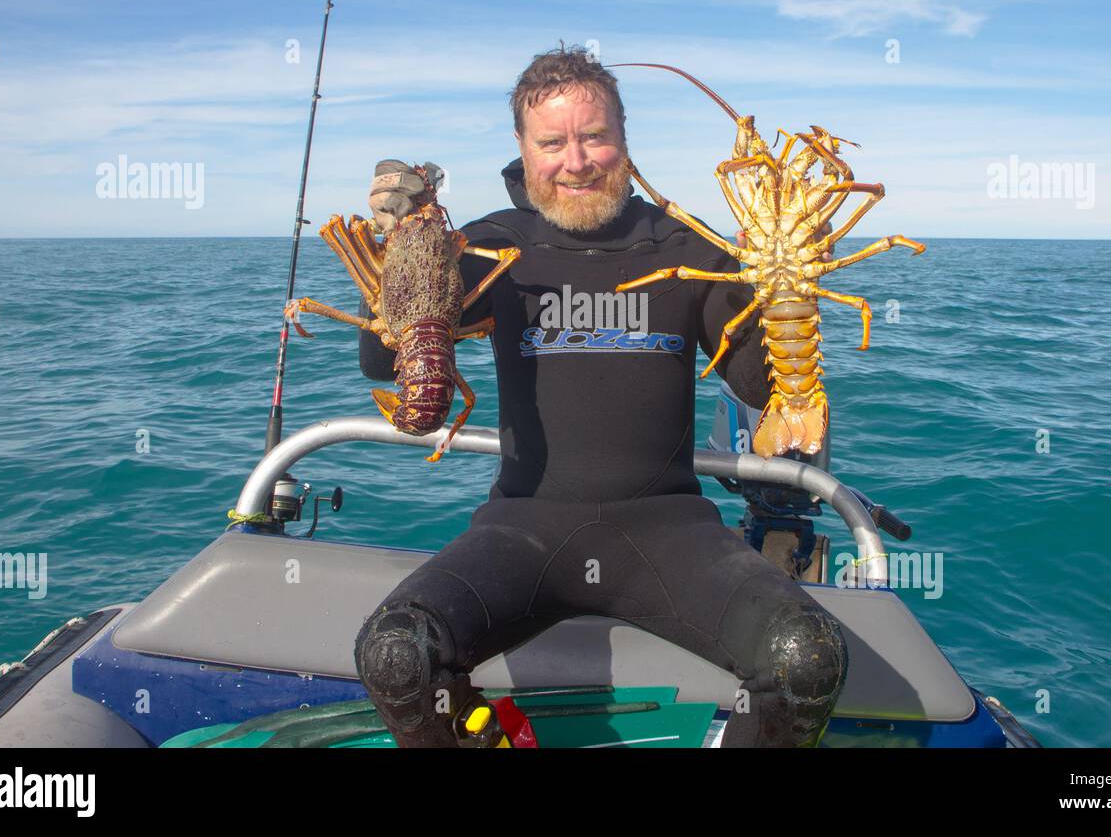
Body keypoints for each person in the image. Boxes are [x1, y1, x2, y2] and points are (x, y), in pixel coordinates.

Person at [353, 46, 847, 747]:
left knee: (809, 659)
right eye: (552, 142)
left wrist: (783, 293)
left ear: (624, 136)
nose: (576, 160)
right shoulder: (489, 244)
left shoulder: (691, 245)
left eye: (595, 137)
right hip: (521, 529)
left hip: (670, 531)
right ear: (523, 150)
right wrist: (392, 249)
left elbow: (757, 386)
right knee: (395, 653)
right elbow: (382, 359)